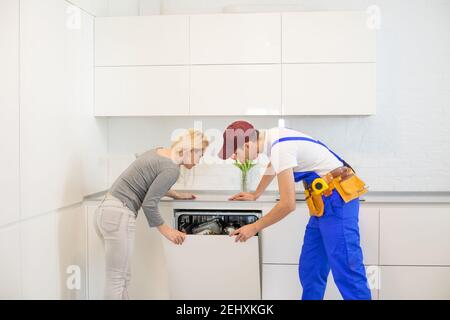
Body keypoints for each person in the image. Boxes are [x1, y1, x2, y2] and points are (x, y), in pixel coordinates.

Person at [219, 121, 371, 300]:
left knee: (347, 269)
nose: (235, 158)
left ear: (246, 144)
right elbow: (273, 166)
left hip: (338, 201)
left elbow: (287, 204)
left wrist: (254, 227)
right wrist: (256, 193)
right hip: (323, 203)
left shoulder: (280, 147)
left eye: (235, 153)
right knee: (311, 267)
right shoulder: (274, 137)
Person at [95, 129, 209, 299]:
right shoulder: (172, 169)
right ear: (191, 150)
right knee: (117, 280)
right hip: (120, 215)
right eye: (200, 154)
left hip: (106, 211)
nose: (200, 160)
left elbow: (148, 179)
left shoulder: (158, 152)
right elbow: (149, 204)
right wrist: (168, 231)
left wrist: (175, 194)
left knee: (122, 278)